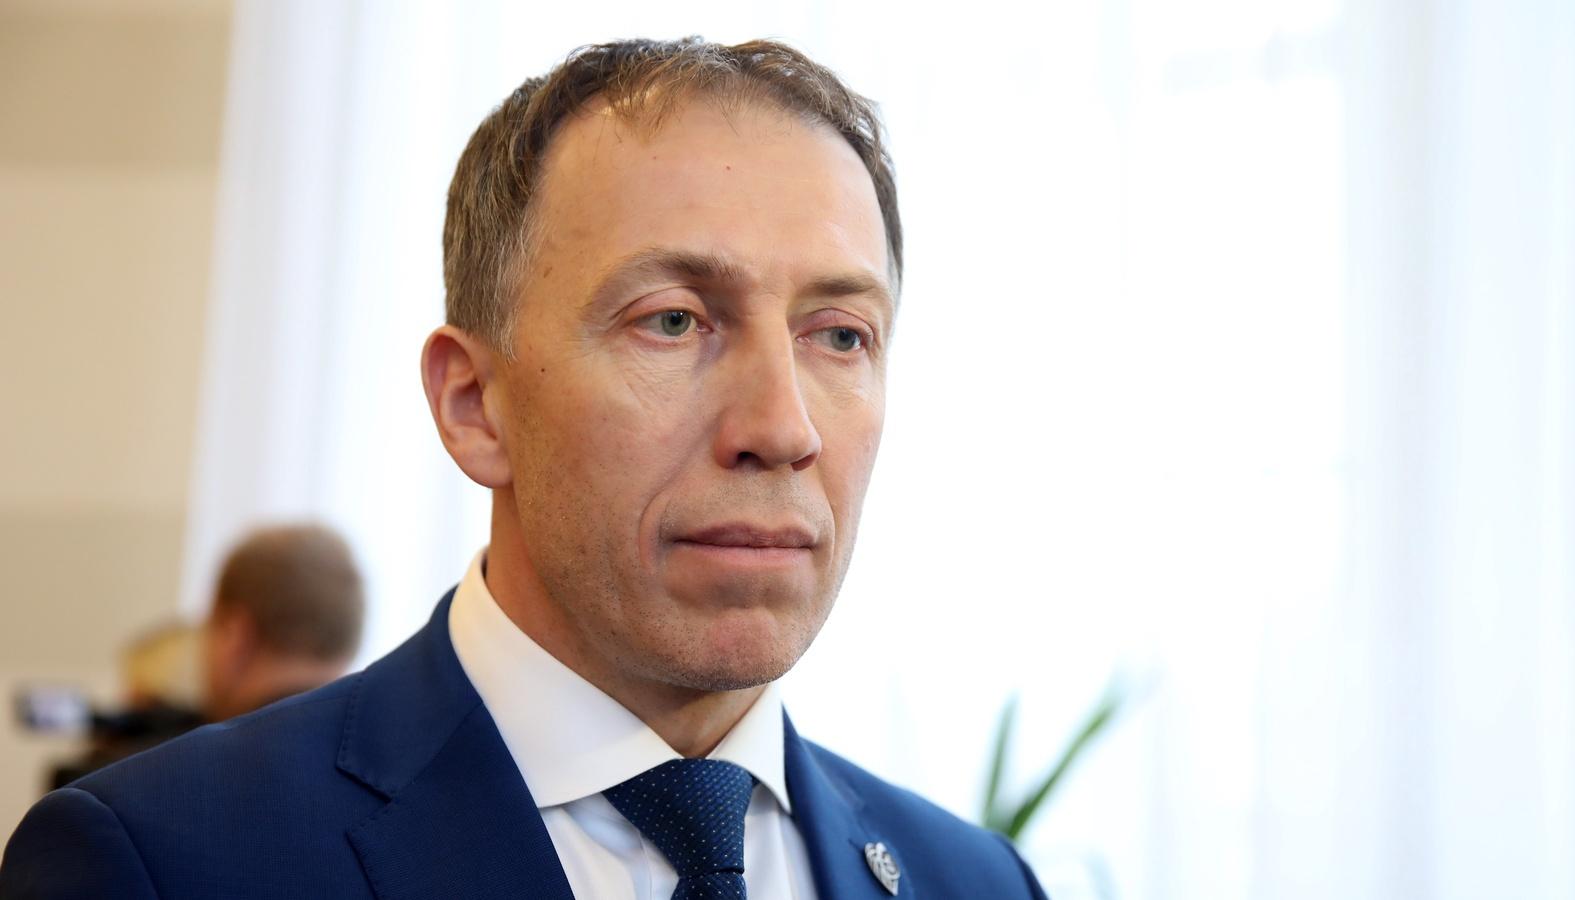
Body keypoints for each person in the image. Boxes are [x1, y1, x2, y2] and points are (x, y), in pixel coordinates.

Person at [0, 37, 1049, 899]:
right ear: (474, 404)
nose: (782, 427)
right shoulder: (163, 864)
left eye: (840, 335)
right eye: (673, 320)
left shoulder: (978, 884)